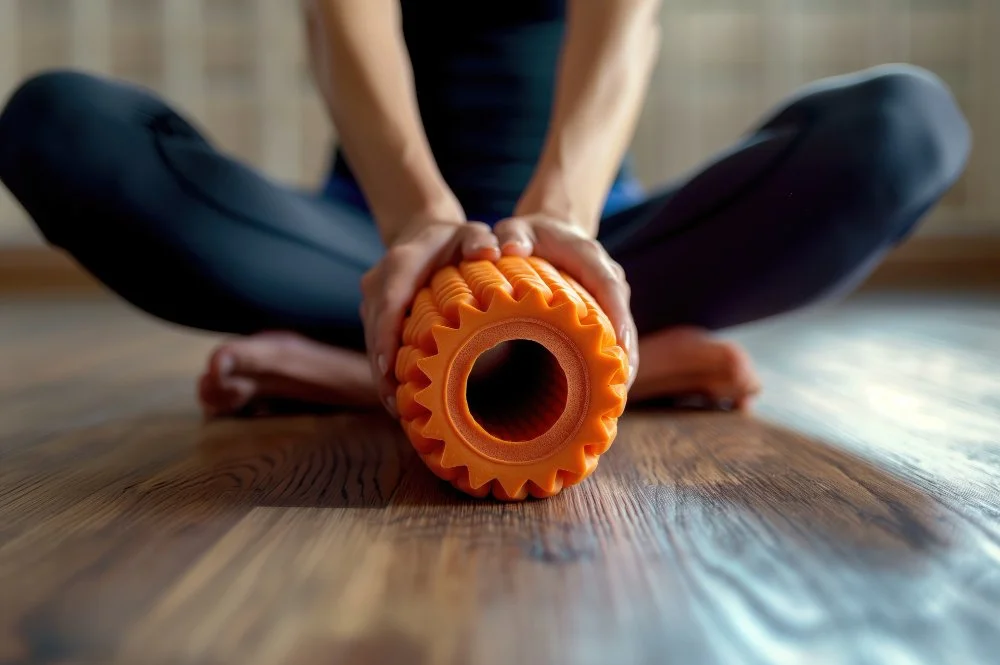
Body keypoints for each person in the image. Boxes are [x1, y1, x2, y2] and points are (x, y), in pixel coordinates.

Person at [0, 0, 971, 420]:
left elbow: (626, 29)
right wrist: (419, 224)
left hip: (595, 241)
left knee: (907, 125)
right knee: (59, 125)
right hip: (370, 252)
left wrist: (563, 228)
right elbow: (342, 30)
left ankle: (404, 377)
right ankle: (579, 378)